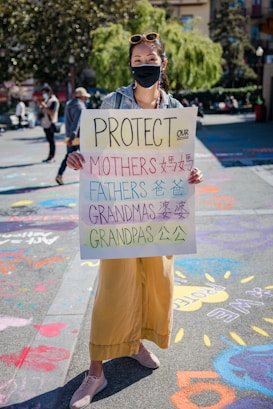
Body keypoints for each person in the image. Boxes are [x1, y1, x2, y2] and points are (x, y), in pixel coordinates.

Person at [67, 32, 203, 409]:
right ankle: (96, 371)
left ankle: (134, 343)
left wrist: (194, 175)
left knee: (154, 283)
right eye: (138, 60)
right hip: (117, 215)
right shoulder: (112, 103)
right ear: (131, 66)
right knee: (114, 287)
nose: (144, 65)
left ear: (163, 64)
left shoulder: (174, 107)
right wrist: (78, 159)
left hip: (159, 216)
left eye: (150, 58)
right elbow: (90, 152)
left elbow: (182, 161)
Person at [55, 87, 90, 185]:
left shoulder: (69, 104)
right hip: (78, 137)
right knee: (86, 156)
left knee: (68, 157)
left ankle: (59, 175)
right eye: (85, 97)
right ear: (82, 97)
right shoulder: (80, 106)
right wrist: (73, 136)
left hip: (69, 136)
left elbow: (68, 121)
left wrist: (70, 136)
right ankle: (88, 177)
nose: (86, 99)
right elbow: (76, 122)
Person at [38, 85, 60, 163]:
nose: (44, 94)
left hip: (51, 123)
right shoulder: (47, 100)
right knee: (49, 141)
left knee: (51, 141)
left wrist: (45, 107)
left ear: (49, 92)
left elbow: (51, 112)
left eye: (45, 93)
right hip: (45, 123)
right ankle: (49, 156)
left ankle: (52, 157)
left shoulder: (54, 101)